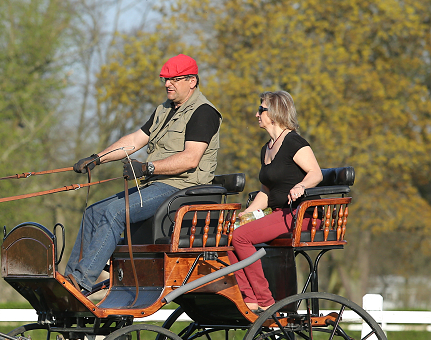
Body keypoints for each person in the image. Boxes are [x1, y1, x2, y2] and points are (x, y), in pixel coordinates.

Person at [63, 53, 222, 294]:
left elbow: (191, 159)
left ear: (192, 81)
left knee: (115, 212)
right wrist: (98, 158)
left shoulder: (204, 112)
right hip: (155, 185)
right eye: (165, 79)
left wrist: (148, 168)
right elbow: (135, 140)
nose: (167, 84)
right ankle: (69, 281)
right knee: (93, 212)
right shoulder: (164, 109)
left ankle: (82, 283)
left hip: (182, 189)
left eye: (174, 79)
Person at [228, 90, 322, 313]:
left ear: (275, 112)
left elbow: (316, 173)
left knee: (240, 237)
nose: (256, 114)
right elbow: (266, 192)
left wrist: (301, 186)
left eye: (261, 109)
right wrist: (246, 214)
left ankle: (265, 299)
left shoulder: (293, 142)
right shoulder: (266, 149)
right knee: (229, 231)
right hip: (279, 213)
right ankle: (249, 297)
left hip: (301, 215)